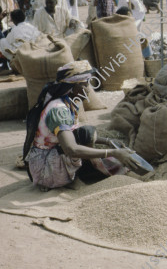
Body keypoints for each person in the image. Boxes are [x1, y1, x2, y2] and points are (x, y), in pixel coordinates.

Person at [22, 60, 139, 191]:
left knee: (104, 162)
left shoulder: (67, 103)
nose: (88, 89)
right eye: (84, 84)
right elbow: (71, 149)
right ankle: (65, 180)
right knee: (87, 134)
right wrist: (113, 152)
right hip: (46, 168)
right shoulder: (58, 109)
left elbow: (72, 134)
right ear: (71, 87)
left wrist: (108, 141)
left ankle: (81, 172)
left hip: (53, 158)